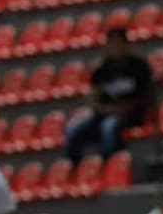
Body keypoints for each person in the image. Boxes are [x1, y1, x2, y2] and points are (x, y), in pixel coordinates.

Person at [65, 27, 153, 165]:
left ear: (126, 44)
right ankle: (75, 169)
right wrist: (103, 109)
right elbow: (92, 99)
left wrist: (122, 109)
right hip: (103, 113)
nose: (114, 47)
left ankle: (110, 165)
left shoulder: (139, 67)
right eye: (111, 43)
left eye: (118, 43)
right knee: (72, 129)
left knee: (109, 126)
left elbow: (145, 96)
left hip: (131, 114)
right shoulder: (101, 71)